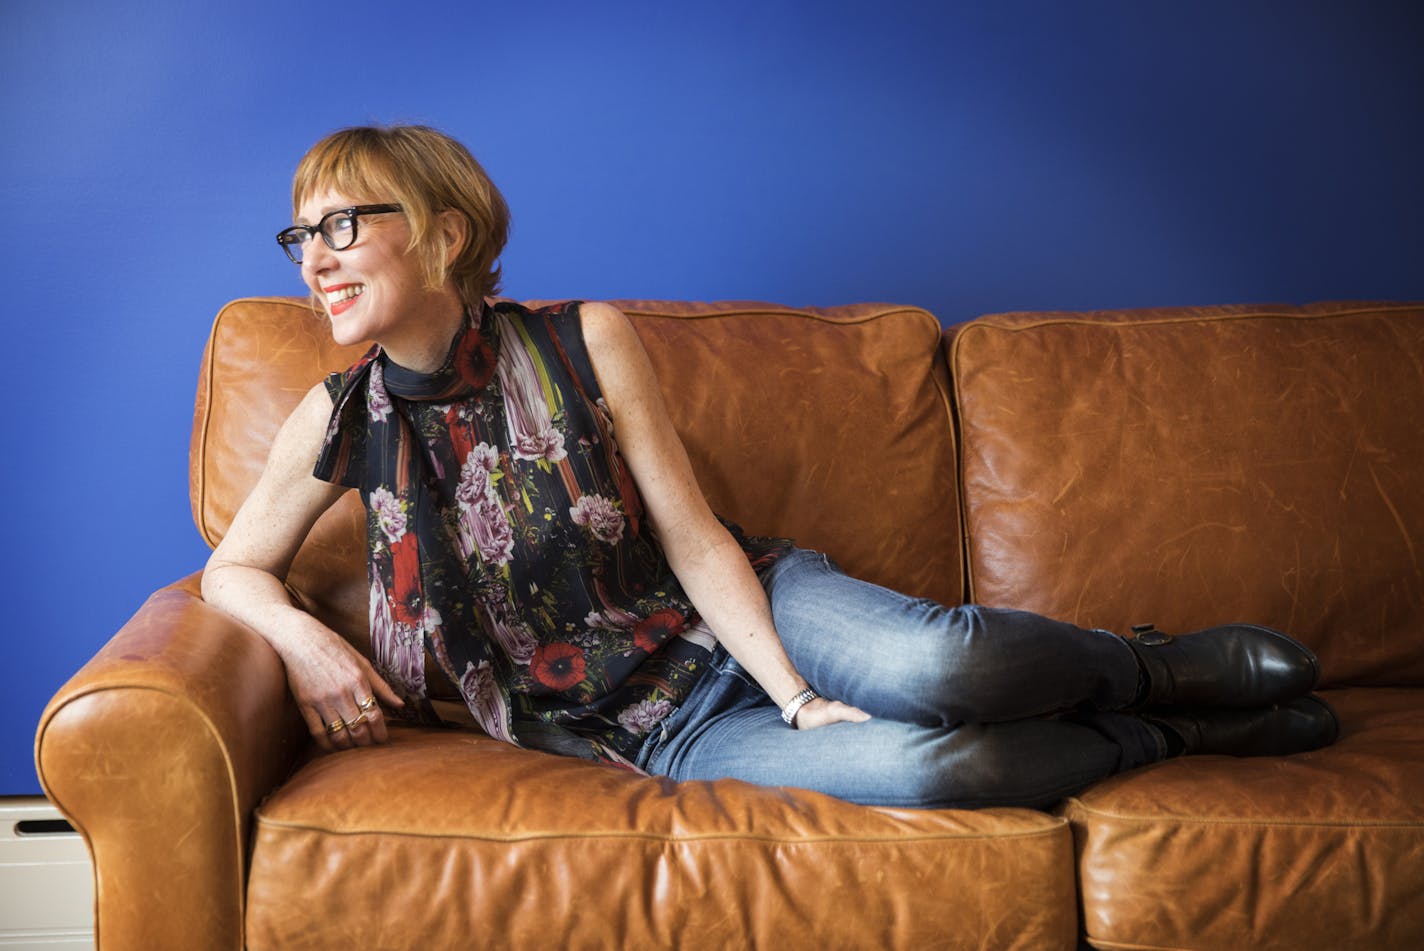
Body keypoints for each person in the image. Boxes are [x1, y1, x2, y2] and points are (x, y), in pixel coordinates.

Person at [202, 125, 1337, 810]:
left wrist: (794, 697)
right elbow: (231, 572)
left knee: (947, 673)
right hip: (649, 730)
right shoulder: (336, 417)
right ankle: (1179, 737)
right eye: (301, 236)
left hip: (752, 615)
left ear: (445, 234)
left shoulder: (579, 340)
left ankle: (1146, 669)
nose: (317, 258)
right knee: (935, 776)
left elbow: (690, 534)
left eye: (344, 223)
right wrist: (304, 644)